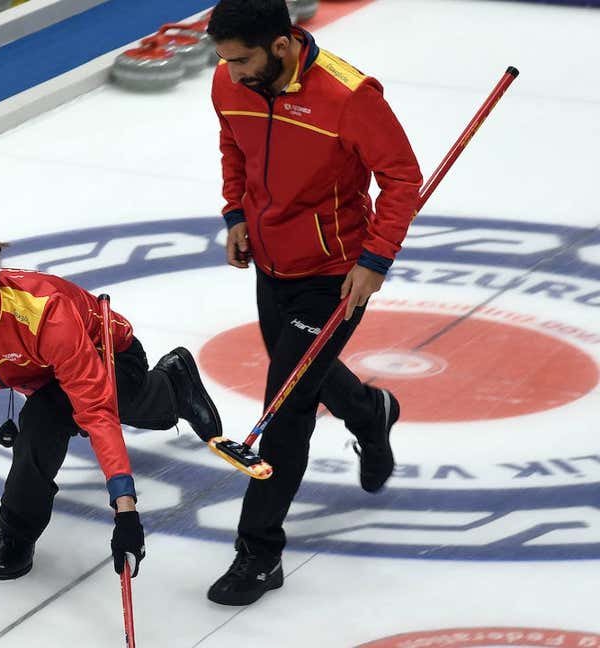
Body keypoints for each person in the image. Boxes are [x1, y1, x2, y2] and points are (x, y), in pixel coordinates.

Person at [205, 0, 422, 606]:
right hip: (270, 262)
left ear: (281, 43)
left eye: (242, 59)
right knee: (303, 369)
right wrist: (235, 213)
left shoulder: (350, 97)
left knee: (288, 401)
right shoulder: (230, 78)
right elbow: (233, 144)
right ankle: (368, 411)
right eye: (223, 60)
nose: (232, 72)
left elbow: (402, 178)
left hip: (333, 272)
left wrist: (374, 260)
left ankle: (258, 554)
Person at [0, 224, 224, 581]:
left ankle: (171, 384)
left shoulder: (45, 314)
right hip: (43, 374)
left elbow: (96, 412)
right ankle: (171, 385)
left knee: (48, 418)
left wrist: (125, 510)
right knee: (49, 412)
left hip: (111, 353)